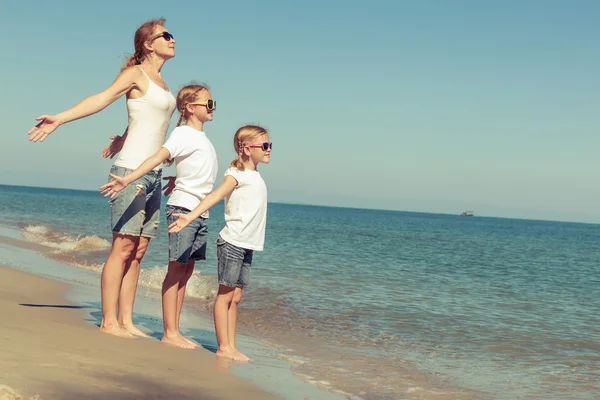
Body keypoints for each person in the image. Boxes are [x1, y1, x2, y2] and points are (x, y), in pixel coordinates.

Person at [27, 18, 177, 338]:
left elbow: (147, 120)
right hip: (130, 172)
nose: (173, 39)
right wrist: (60, 119)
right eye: (166, 35)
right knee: (122, 248)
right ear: (149, 44)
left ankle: (127, 320)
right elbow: (101, 98)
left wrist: (123, 136)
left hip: (153, 172)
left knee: (138, 252)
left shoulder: (163, 84)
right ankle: (109, 322)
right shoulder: (134, 74)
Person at [100, 84, 218, 349]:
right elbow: (158, 156)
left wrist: (179, 177)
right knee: (163, 262)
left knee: (153, 256)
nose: (213, 108)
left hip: (195, 207)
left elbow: (196, 167)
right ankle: (163, 331)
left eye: (213, 104)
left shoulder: (201, 138)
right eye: (208, 104)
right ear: (190, 108)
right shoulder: (182, 134)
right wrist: (128, 179)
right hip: (179, 204)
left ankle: (130, 321)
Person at [168, 125, 272, 361]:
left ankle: (231, 345)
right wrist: (190, 216)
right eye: (264, 146)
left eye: (270, 145)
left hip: (247, 244)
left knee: (235, 297)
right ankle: (224, 347)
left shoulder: (255, 176)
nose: (269, 150)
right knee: (225, 295)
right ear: (246, 149)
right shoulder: (236, 175)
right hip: (232, 242)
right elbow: (215, 196)